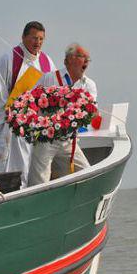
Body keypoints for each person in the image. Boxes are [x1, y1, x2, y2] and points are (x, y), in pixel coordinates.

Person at [0, 21, 56, 188]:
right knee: (17, 165)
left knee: (36, 166)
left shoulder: (47, 61)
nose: (37, 42)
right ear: (24, 37)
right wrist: (10, 113)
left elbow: (53, 90)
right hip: (15, 125)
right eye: (34, 38)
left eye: (41, 39)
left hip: (38, 124)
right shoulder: (10, 58)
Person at [27, 43, 97, 187]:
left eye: (88, 59)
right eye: (82, 57)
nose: (86, 61)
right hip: (46, 139)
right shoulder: (49, 78)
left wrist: (90, 112)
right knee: (39, 181)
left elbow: (92, 110)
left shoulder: (89, 84)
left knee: (87, 174)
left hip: (68, 141)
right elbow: (31, 101)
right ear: (70, 59)